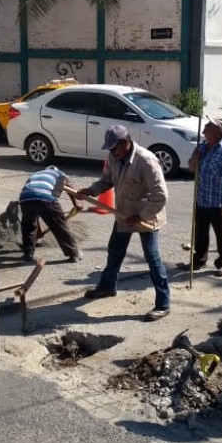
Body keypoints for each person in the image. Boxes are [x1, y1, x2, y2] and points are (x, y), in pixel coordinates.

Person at [77, 124, 171, 321]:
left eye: (114, 148)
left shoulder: (146, 161)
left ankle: (163, 304)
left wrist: (141, 216)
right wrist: (91, 190)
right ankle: (107, 287)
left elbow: (161, 196)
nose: (111, 152)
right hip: (123, 213)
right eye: (110, 149)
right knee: (115, 250)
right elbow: (107, 181)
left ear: (125, 143)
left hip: (147, 216)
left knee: (152, 258)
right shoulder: (113, 157)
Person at [187, 115, 222, 274]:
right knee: (200, 232)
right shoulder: (202, 147)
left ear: (217, 132)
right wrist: (195, 160)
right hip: (202, 198)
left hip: (218, 202)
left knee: (221, 234)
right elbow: (191, 168)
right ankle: (199, 260)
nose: (205, 128)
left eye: (209, 126)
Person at [19, 166, 82, 263]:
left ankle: (28, 254)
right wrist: (76, 204)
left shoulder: (36, 174)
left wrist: (38, 232)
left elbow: (30, 193)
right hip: (45, 197)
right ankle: (73, 254)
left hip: (25, 198)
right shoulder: (60, 173)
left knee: (28, 226)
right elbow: (69, 188)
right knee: (60, 226)